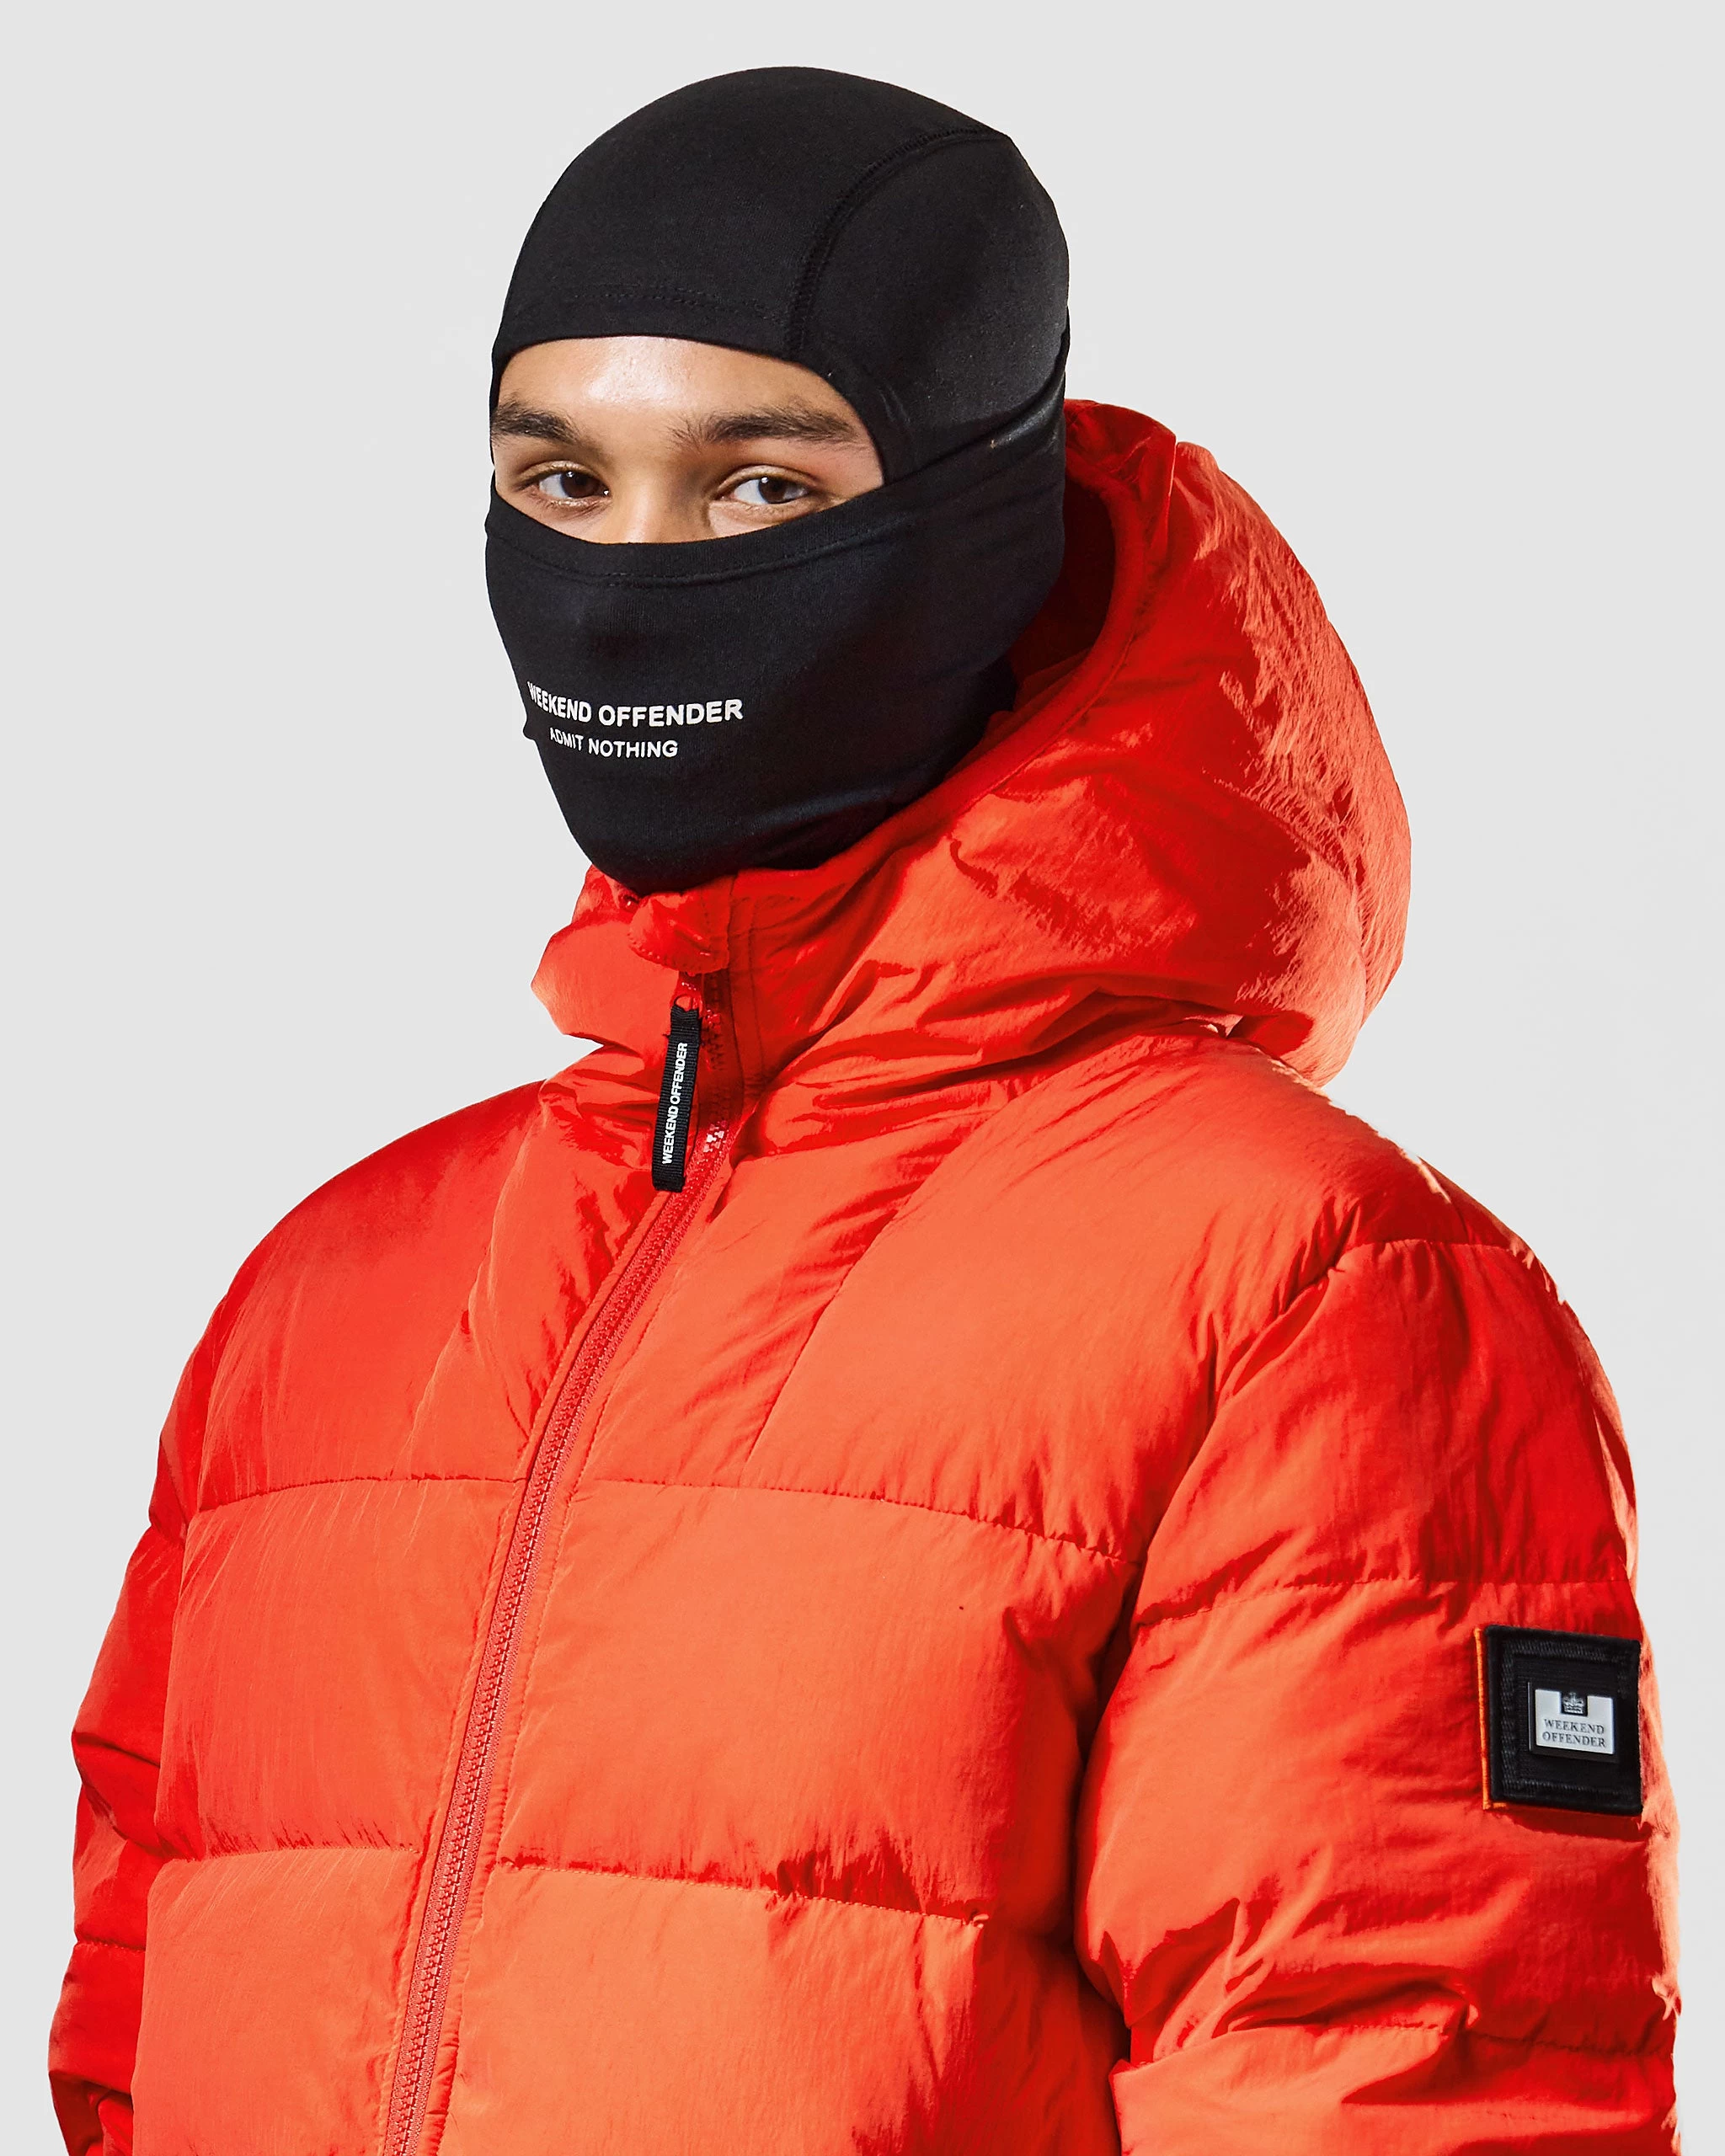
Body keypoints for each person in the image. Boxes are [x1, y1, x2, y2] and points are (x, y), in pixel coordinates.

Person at [49, 65, 1678, 2156]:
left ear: (976, 529)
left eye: (754, 486)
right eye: (560, 478)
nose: (628, 577)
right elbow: (132, 2051)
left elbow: (1390, 2088)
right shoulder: (327, 1297)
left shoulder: (1305, 1290)